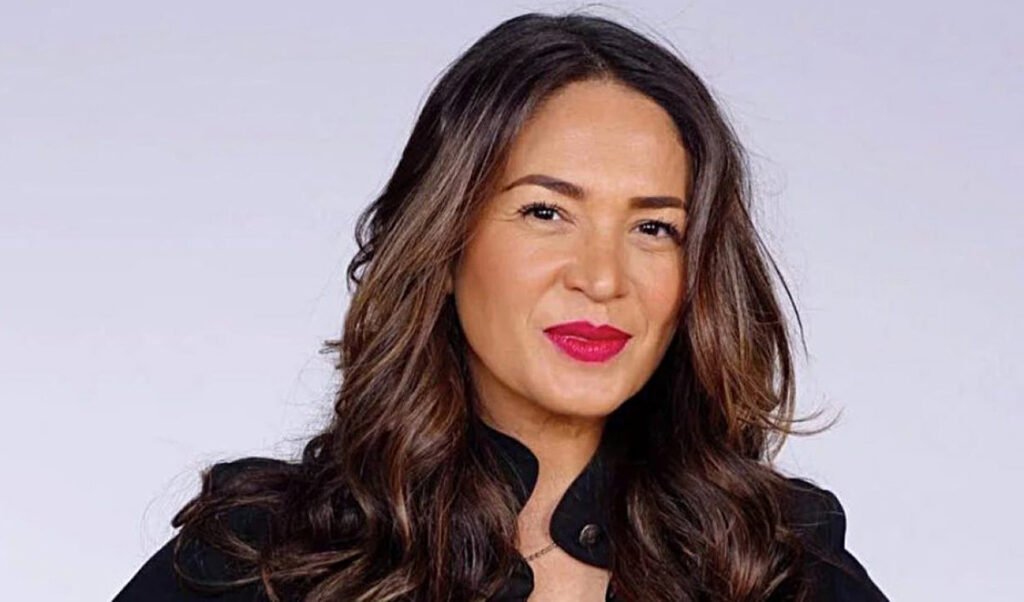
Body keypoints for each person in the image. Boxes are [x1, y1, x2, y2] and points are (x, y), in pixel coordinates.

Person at [112, 11, 888, 602]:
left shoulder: (780, 568)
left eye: (654, 228)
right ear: (445, 242)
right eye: (546, 212)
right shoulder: (261, 561)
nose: (602, 278)